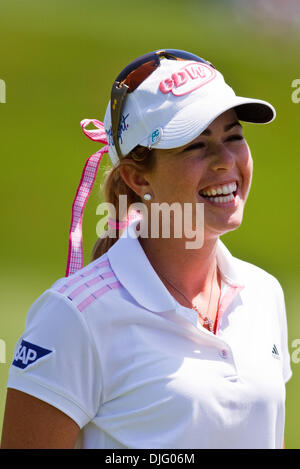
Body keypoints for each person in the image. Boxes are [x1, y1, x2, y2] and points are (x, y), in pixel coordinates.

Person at [1, 49, 292, 449]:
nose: (226, 161)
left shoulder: (264, 294)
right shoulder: (73, 317)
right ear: (138, 177)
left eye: (234, 137)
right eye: (196, 145)